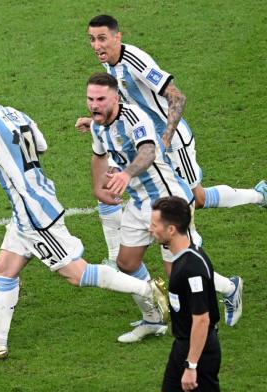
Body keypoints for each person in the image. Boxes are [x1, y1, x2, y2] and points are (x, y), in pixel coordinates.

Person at [0, 71, 169, 359]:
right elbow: (41, 145)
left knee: (76, 273)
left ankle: (147, 290)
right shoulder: (15, 113)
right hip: (30, 206)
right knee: (5, 271)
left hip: (34, 213)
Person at [86, 72, 244, 337]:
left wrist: (126, 174)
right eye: (90, 99)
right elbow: (98, 155)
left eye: (100, 99)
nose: (94, 105)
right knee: (126, 263)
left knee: (179, 273)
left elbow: (147, 152)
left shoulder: (134, 118)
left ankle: (231, 288)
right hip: (138, 203)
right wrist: (97, 186)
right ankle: (153, 318)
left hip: (168, 201)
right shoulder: (96, 125)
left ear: (115, 97)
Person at [123, 197, 249, 392]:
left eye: (154, 225)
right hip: (184, 347)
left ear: (172, 228)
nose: (150, 230)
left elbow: (202, 319)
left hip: (198, 352)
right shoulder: (182, 258)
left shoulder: (191, 266)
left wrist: (191, 365)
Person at [78, 14, 266, 220]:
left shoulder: (135, 62)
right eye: (92, 39)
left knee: (197, 198)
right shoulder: (110, 62)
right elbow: (127, 100)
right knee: (108, 182)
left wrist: (165, 139)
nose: (96, 45)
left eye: (102, 38)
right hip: (143, 139)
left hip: (174, 141)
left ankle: (259, 195)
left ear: (117, 37)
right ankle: (115, 251)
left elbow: (177, 98)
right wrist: (100, 119)